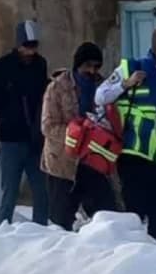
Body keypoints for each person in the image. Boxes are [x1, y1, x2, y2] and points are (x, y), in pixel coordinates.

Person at [94, 27, 156, 242]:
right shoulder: (133, 67)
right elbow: (100, 96)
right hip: (134, 153)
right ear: (155, 49)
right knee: (134, 215)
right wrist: (125, 84)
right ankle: (130, 253)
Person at [0, 20, 50, 226]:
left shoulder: (40, 65)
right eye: (27, 46)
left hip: (35, 140)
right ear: (19, 44)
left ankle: (41, 232)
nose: (31, 51)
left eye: (34, 46)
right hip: (10, 141)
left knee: (41, 192)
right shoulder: (1, 68)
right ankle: (3, 231)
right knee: (9, 192)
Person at [42, 42, 116, 230]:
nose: (92, 71)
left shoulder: (102, 87)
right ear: (77, 65)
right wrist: (77, 133)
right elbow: (48, 126)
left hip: (94, 161)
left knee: (108, 217)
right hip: (63, 164)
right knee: (61, 222)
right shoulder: (57, 87)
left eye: (96, 66)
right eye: (87, 66)